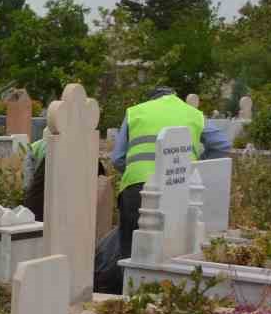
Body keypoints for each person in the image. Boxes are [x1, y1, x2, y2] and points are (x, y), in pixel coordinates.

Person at [98, 87, 233, 292]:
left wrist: (137, 168)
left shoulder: (136, 111)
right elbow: (223, 144)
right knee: (173, 248)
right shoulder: (193, 114)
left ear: (151, 98)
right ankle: (165, 294)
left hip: (137, 187)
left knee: (131, 250)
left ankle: (125, 296)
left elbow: (117, 158)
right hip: (178, 186)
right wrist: (193, 166)